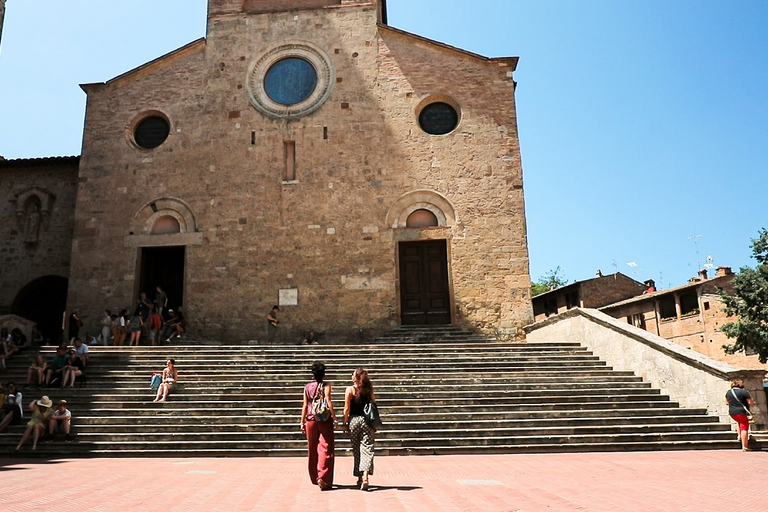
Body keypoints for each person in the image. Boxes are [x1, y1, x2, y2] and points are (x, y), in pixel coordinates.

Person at [300, 361, 336, 490]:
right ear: (324, 373)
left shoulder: (307, 387)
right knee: (326, 448)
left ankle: (314, 476)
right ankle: (323, 477)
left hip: (310, 419)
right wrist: (335, 417)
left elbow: (305, 405)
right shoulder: (326, 386)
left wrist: (302, 421)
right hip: (324, 419)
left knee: (312, 448)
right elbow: (328, 400)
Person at [343, 368, 377, 490]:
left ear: (356, 377)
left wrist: (345, 422)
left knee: (357, 449)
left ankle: (359, 477)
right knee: (367, 449)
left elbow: (346, 409)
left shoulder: (350, 390)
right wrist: (374, 424)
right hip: (367, 421)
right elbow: (374, 405)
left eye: (352, 375)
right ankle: (366, 476)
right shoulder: (368, 390)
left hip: (354, 421)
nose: (351, 376)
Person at [726, 379, 756, 451]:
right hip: (742, 412)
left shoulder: (729, 392)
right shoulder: (744, 392)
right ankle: (744, 446)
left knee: (739, 422)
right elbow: (750, 403)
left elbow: (727, 402)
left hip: (732, 412)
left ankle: (739, 436)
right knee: (744, 428)